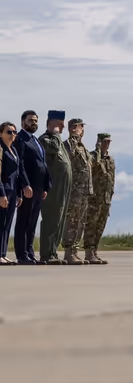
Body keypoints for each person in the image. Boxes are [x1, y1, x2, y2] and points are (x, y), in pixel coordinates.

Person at [12, 110, 50, 266]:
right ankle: (22, 255)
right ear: (23, 122)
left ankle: (30, 253)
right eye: (30, 120)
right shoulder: (20, 139)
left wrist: (46, 186)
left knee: (33, 222)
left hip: (39, 188)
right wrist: (25, 184)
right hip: (28, 188)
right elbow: (19, 164)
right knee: (24, 221)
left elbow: (43, 165)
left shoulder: (36, 140)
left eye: (35, 120)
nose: (34, 123)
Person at [38, 110, 71, 266]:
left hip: (63, 188)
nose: (62, 129)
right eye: (60, 125)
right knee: (51, 219)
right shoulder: (45, 140)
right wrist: (56, 134)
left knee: (59, 220)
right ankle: (46, 253)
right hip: (53, 188)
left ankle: (52, 252)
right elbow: (52, 149)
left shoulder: (56, 140)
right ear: (51, 124)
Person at [61, 118, 94, 265]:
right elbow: (68, 155)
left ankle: (75, 251)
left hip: (84, 191)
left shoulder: (83, 147)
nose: (83, 130)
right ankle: (68, 252)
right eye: (80, 127)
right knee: (72, 222)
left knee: (80, 222)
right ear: (73, 128)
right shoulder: (69, 144)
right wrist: (74, 136)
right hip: (74, 191)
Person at [84, 133, 115, 265]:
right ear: (99, 142)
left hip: (105, 199)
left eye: (109, 142)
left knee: (100, 227)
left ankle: (94, 251)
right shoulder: (93, 156)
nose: (107, 144)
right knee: (91, 226)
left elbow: (111, 179)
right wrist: (97, 150)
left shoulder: (110, 159)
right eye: (104, 142)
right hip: (94, 199)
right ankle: (88, 252)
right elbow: (94, 164)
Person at [0, 122, 27, 266]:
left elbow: (17, 174)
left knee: (7, 224)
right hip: (3, 191)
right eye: (8, 132)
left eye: (14, 132)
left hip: (12, 192)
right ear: (1, 133)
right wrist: (2, 194)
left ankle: (3, 254)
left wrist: (19, 194)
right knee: (1, 223)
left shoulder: (14, 151)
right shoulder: (0, 150)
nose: (12, 135)